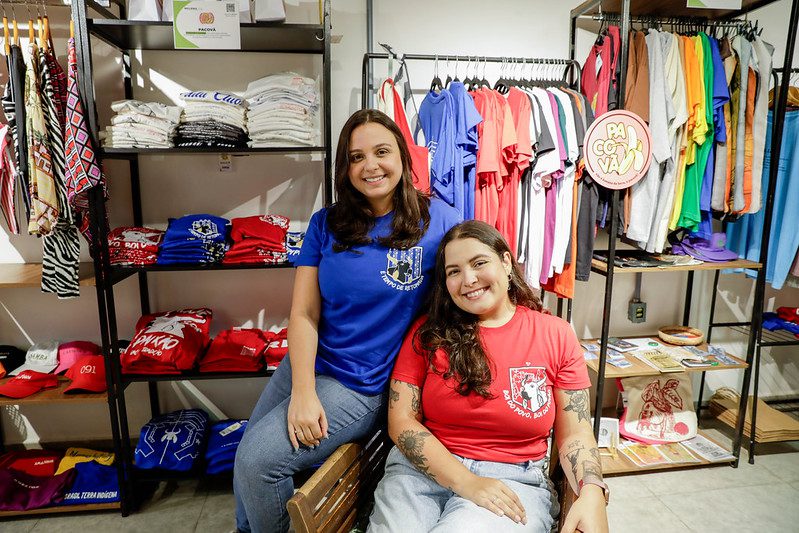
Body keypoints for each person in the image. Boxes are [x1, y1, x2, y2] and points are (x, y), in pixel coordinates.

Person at [233, 109, 461, 533]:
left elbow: (472, 286)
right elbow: (303, 313)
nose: (370, 165)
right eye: (357, 157)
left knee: (258, 462)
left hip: (363, 384)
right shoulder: (326, 224)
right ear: (345, 167)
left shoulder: (440, 223)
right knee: (247, 458)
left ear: (404, 158)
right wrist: (302, 389)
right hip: (306, 363)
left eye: (381, 152)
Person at [368, 220, 609, 533]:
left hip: (513, 479)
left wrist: (591, 489)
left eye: (479, 263)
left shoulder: (556, 334)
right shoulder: (427, 333)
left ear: (506, 262)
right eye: (453, 271)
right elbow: (402, 421)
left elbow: (575, 433)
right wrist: (467, 482)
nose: (468, 279)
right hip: (420, 470)